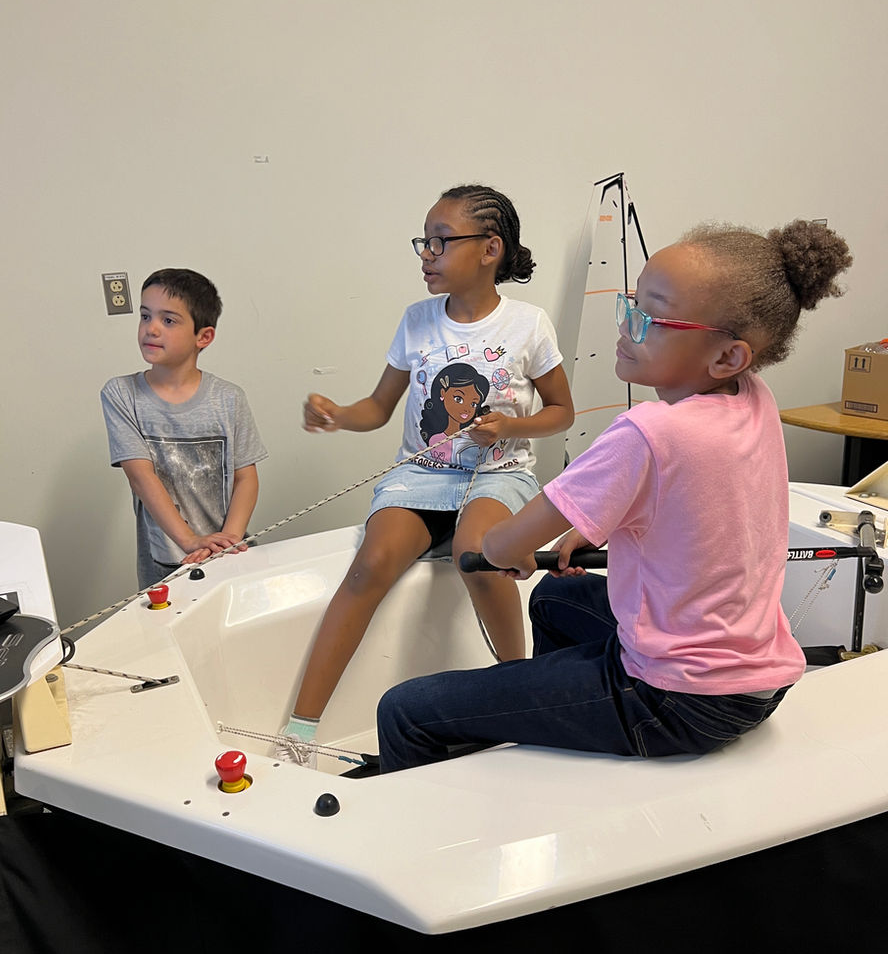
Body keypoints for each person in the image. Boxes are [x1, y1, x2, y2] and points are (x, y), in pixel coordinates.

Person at [376, 218, 853, 773]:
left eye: (649, 319)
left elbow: (505, 545)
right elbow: (689, 504)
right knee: (554, 599)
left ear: (727, 356)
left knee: (406, 710)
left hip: (675, 700)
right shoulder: (752, 396)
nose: (627, 328)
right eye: (630, 306)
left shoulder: (649, 432)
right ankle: (544, 741)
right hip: (755, 678)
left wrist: (498, 547)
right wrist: (593, 526)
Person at [281, 184, 575, 760]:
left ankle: (521, 694)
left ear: (490, 249)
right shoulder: (416, 321)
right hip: (421, 475)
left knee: (480, 553)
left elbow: (562, 412)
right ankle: (300, 730)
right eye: (424, 242)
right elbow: (378, 408)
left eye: (440, 242)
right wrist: (340, 415)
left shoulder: (529, 325)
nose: (426, 255)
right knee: (371, 561)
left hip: (498, 473)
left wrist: (509, 427)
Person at [102, 268, 267, 589]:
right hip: (166, 559)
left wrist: (230, 539)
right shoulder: (121, 394)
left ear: (203, 337)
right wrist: (190, 540)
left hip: (228, 554)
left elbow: (246, 476)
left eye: (168, 320)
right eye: (145, 316)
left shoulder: (229, 398)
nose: (151, 329)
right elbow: (140, 475)